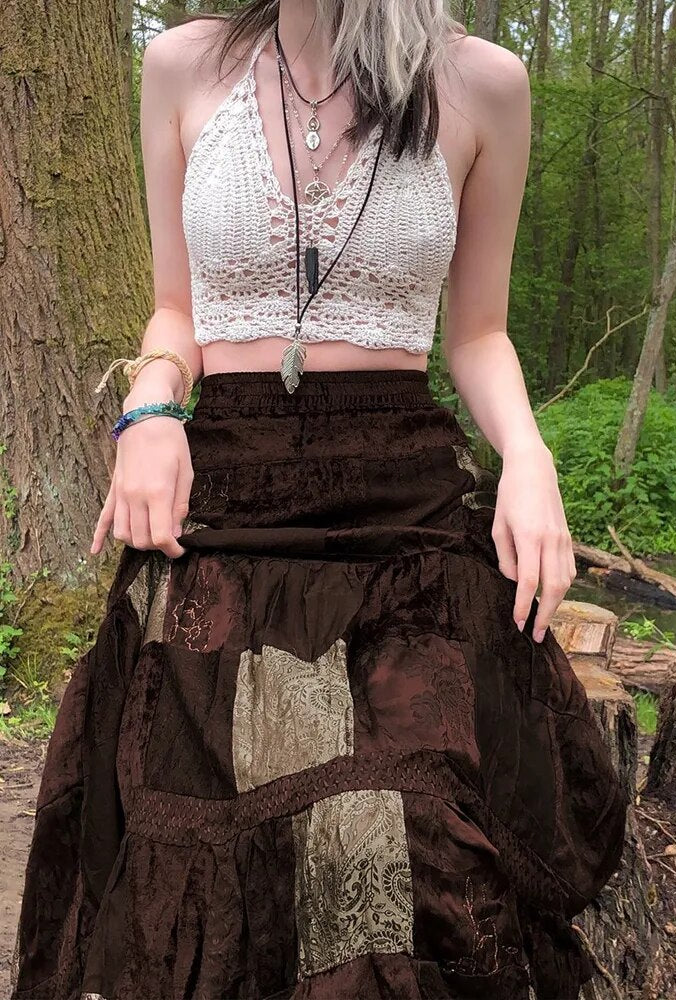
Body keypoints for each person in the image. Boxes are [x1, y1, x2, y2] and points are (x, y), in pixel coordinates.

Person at [10, 2, 627, 998]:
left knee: (416, 848)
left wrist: (528, 457)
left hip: (403, 517)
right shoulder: (181, 64)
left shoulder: (483, 83)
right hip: (225, 510)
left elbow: (478, 332)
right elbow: (175, 308)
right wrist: (151, 409)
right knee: (196, 848)